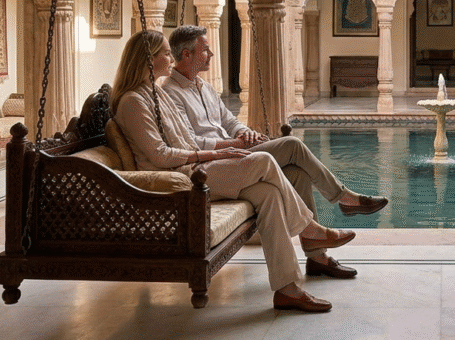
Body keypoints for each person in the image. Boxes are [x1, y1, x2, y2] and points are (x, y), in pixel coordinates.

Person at [111, 30, 350, 313]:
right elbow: (160, 156)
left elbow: (189, 136)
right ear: (148, 60)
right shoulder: (133, 102)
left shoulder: (154, 93)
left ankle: (287, 289)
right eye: (165, 53)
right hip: (182, 179)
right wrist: (216, 153)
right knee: (262, 161)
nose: (171, 58)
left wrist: (227, 146)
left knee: (269, 193)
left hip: (196, 167)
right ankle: (309, 229)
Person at [161, 25, 388, 279]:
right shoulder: (171, 93)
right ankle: (343, 198)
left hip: (235, 152)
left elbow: (228, 121)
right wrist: (232, 145)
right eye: (205, 50)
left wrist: (244, 133)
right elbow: (191, 142)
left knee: (298, 174)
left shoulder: (203, 86)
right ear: (187, 55)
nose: (211, 54)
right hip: (220, 161)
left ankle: (318, 258)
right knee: (292, 145)